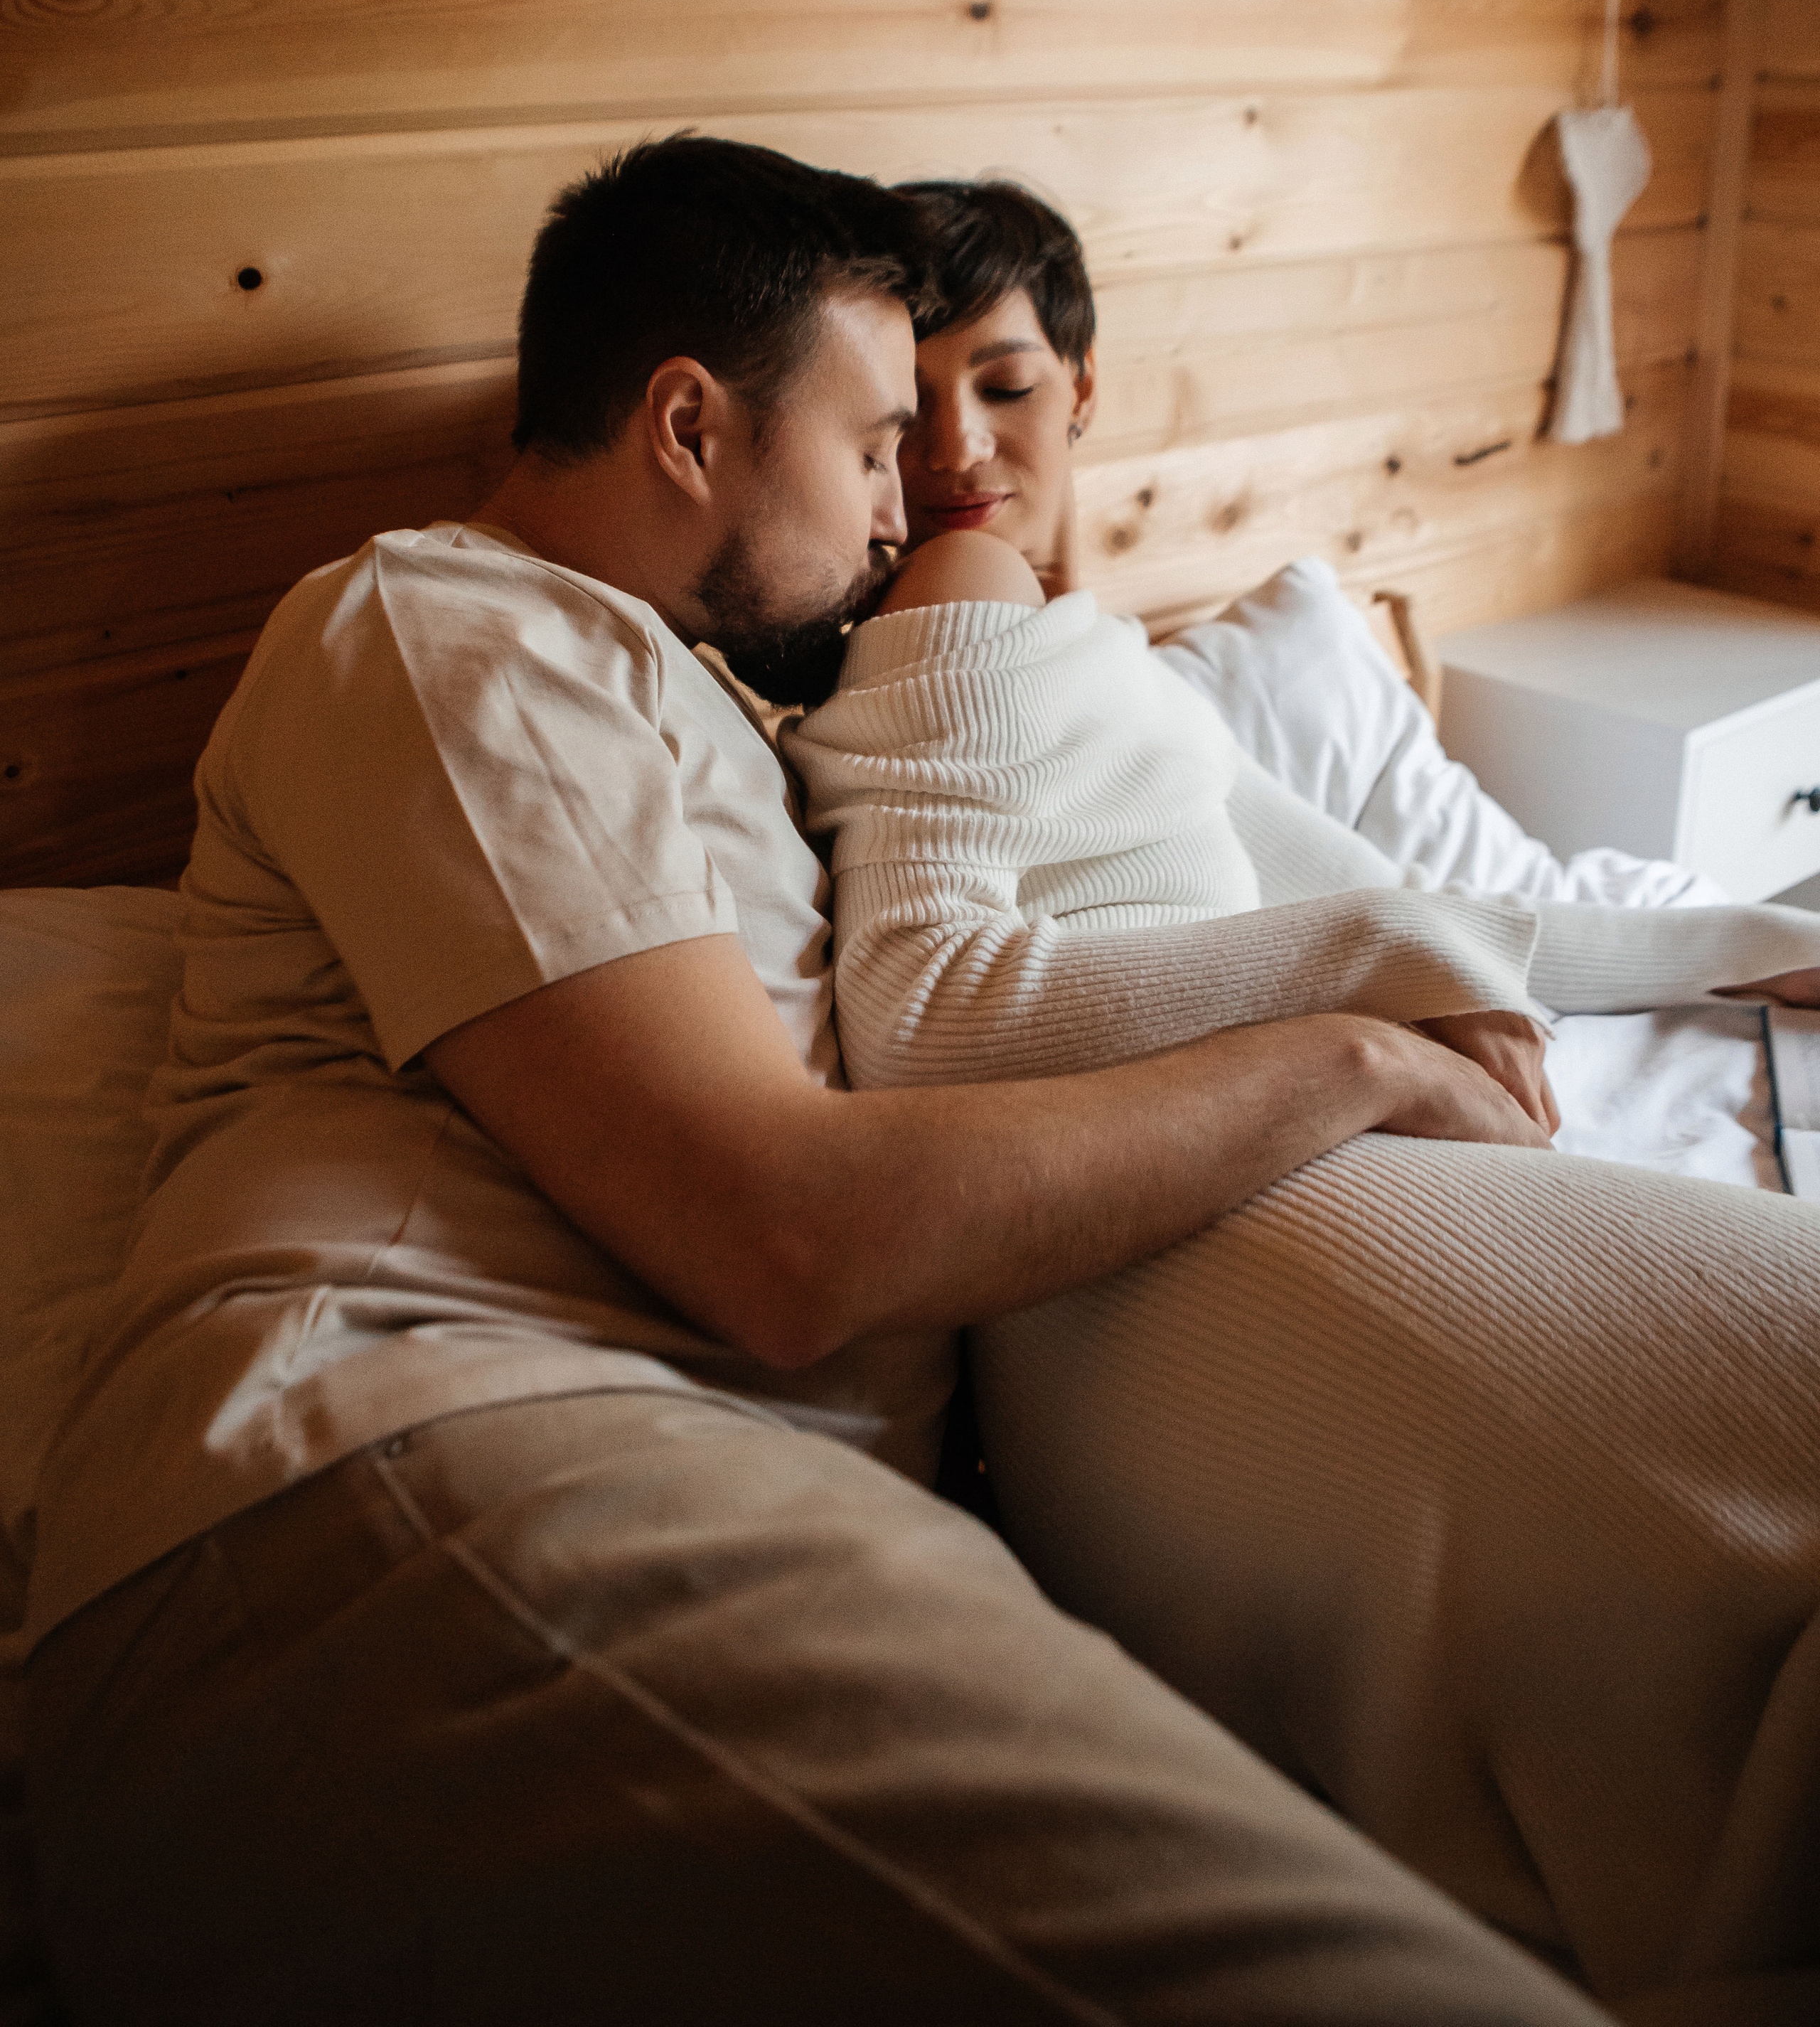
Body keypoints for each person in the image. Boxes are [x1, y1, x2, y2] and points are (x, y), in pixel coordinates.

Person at [21, 136, 1603, 2027]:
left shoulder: (721, 709)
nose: (899, 505)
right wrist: (1341, 1062)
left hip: (683, 1491)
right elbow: (780, 1228)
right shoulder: (446, 631)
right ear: (688, 424)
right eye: (868, 442)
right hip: (390, 1470)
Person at [783, 174, 1820, 2020]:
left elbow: (1452, 899)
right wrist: (1380, 1003)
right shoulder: (946, 623)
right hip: (1231, 1219)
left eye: (1005, 387)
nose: (954, 452)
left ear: (1084, 393)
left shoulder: (1146, 685)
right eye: (904, 408)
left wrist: (1747, 935)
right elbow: (961, 1014)